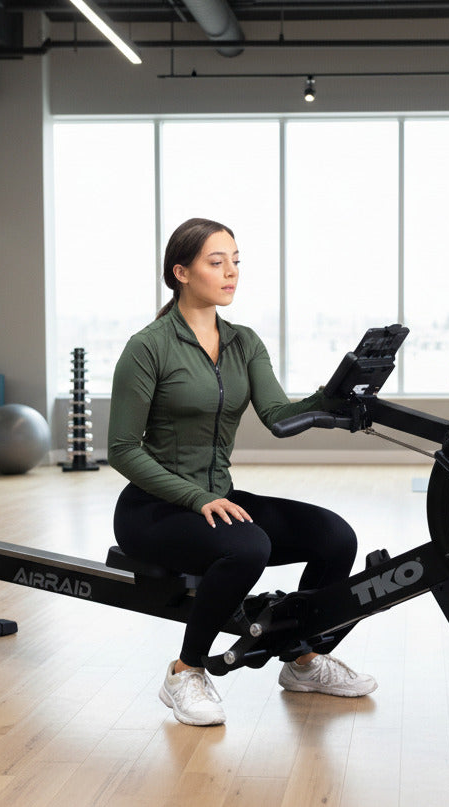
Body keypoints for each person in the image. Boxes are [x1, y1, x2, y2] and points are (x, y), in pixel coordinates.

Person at [109, 217, 377, 726]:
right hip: (153, 509)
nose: (231, 272)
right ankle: (185, 671)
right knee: (248, 546)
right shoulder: (148, 347)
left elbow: (278, 416)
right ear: (181, 273)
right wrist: (196, 498)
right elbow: (122, 449)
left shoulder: (243, 343)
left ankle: (301, 660)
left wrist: (335, 395)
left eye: (235, 261)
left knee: (335, 537)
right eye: (217, 262)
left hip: (218, 497)